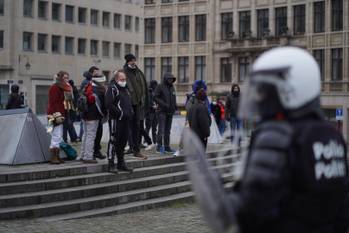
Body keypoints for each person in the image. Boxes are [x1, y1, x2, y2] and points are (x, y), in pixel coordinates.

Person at [185, 47, 349, 233]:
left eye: (267, 91)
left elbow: (251, 210)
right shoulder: (332, 136)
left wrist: (219, 194)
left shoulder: (277, 136)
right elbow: (342, 209)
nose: (260, 97)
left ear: (291, 90)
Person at [105, 70, 133, 173]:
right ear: (117, 79)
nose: (124, 81)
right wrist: (120, 113)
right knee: (113, 141)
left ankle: (121, 163)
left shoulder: (125, 89)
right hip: (116, 120)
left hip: (126, 120)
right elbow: (109, 104)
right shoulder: (112, 89)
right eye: (122, 79)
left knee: (123, 142)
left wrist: (130, 113)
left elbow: (128, 103)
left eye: (125, 79)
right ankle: (111, 164)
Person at [123, 53, 148, 159]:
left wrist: (143, 100)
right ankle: (126, 148)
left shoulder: (138, 72)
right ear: (128, 61)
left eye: (134, 60)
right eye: (131, 60)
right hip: (128, 104)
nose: (134, 62)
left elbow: (144, 87)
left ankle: (136, 150)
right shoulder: (123, 72)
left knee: (136, 127)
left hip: (137, 104)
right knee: (126, 128)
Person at [80, 72, 107, 163]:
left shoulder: (88, 86)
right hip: (93, 116)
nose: (104, 83)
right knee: (91, 137)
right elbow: (104, 105)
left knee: (85, 135)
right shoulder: (100, 90)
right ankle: (88, 157)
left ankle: (83, 154)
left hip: (85, 114)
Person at [47, 71, 73, 164]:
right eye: (65, 78)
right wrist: (57, 115)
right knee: (56, 135)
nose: (67, 80)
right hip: (55, 114)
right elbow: (53, 102)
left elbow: (67, 101)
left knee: (59, 135)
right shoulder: (55, 87)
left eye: (67, 78)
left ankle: (57, 156)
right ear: (61, 78)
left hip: (59, 113)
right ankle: (54, 157)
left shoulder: (61, 87)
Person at [154, 72, 177, 154]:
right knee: (161, 130)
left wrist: (175, 106)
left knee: (168, 131)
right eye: (169, 79)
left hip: (170, 112)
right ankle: (159, 147)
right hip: (162, 112)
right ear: (165, 79)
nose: (171, 80)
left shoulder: (172, 87)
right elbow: (155, 97)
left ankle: (167, 147)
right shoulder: (160, 86)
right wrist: (164, 105)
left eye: (172, 79)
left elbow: (174, 97)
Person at [62, 75, 79, 144]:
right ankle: (68, 139)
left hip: (69, 107)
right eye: (65, 78)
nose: (66, 79)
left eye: (67, 78)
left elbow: (71, 97)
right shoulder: (63, 86)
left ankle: (72, 138)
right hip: (65, 107)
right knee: (66, 124)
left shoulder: (69, 86)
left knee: (68, 124)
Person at [145, 80, 159, 145]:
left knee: (154, 128)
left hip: (155, 113)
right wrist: (152, 106)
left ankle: (155, 141)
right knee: (148, 128)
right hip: (149, 112)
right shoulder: (148, 92)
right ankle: (146, 141)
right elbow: (147, 103)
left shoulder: (155, 92)